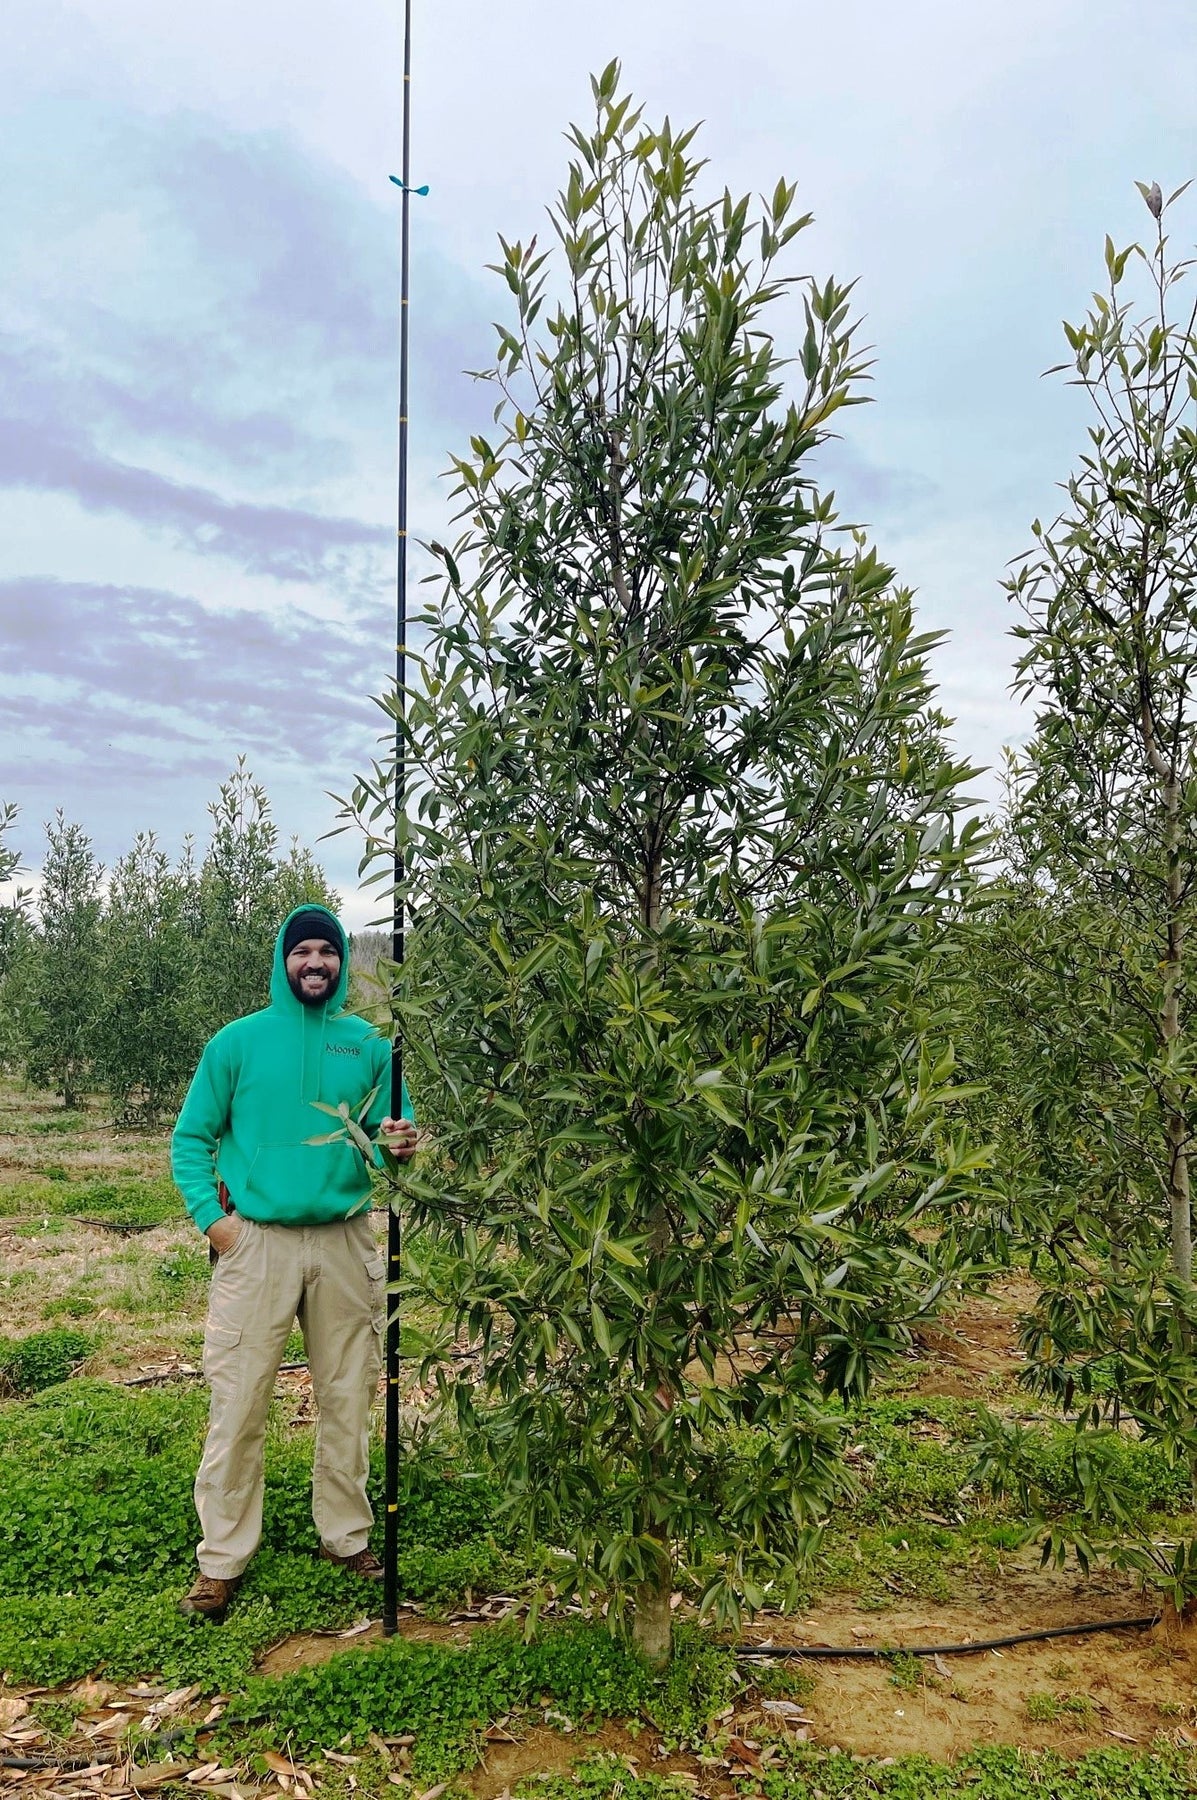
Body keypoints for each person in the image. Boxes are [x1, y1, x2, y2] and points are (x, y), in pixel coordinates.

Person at [171, 904, 417, 1622]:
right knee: (239, 1401)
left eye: (328, 952)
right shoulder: (237, 1042)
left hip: (345, 1242)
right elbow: (191, 1139)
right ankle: (221, 1560)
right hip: (257, 1246)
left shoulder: (368, 1045)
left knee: (348, 1395)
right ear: (284, 960)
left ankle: (345, 1537)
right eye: (303, 951)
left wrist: (401, 1144)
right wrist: (217, 1225)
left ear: (342, 962)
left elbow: (388, 1142)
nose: (316, 963)